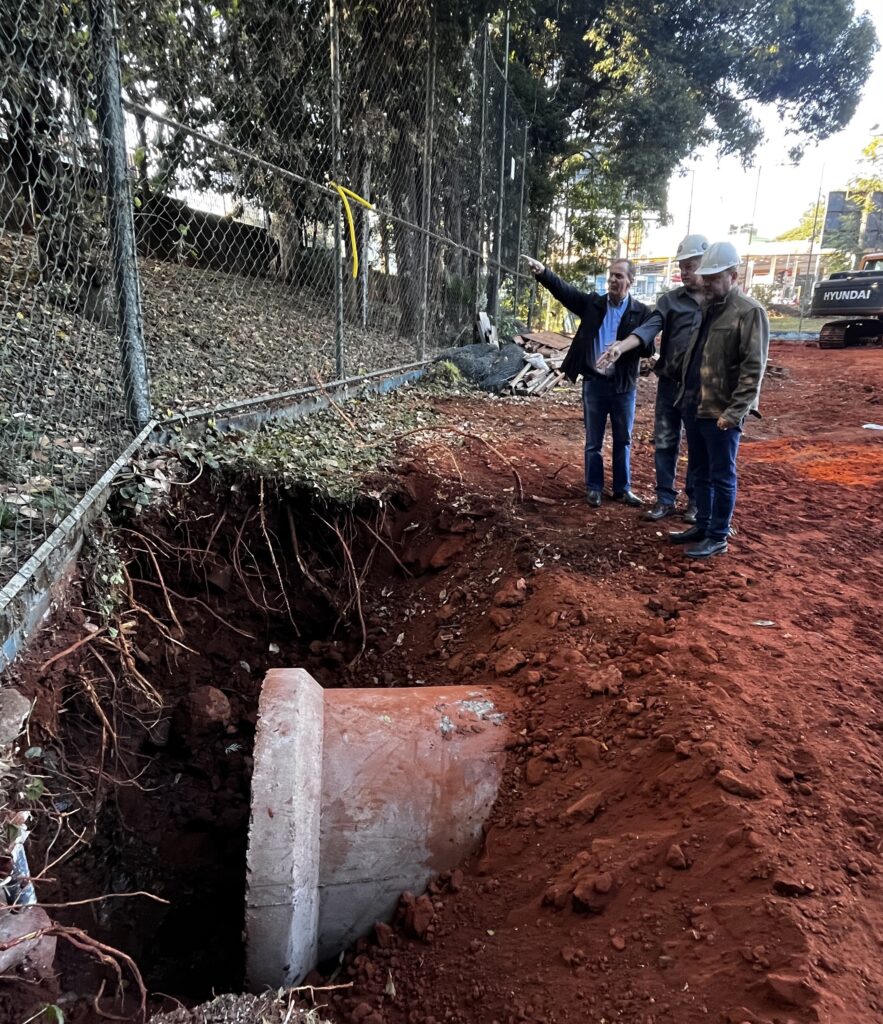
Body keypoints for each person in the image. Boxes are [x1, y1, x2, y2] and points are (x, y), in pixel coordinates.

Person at [668, 240, 769, 559]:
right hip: (695, 405)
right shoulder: (707, 308)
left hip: (721, 411)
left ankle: (717, 536)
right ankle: (702, 525)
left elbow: (753, 368)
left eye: (714, 278)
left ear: (733, 276)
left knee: (721, 475)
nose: (707, 283)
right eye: (706, 277)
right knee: (699, 472)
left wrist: (735, 412)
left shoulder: (749, 312)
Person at [524, 256, 652, 507]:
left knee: (623, 439)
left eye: (619, 276)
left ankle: (622, 489)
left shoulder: (641, 312)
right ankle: (594, 487)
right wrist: (543, 273)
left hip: (623, 386)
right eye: (611, 275)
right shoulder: (594, 303)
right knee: (594, 440)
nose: (613, 279)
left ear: (630, 281)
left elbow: (647, 349)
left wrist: (627, 346)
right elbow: (566, 293)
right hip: (595, 383)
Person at [599, 234, 708, 522]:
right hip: (670, 383)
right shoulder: (670, 301)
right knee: (665, 440)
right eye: (682, 267)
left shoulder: (717, 302)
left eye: (690, 266)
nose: (684, 272)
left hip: (701, 388)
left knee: (698, 445)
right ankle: (664, 499)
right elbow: (649, 328)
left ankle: (695, 502)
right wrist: (621, 347)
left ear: (705, 263)